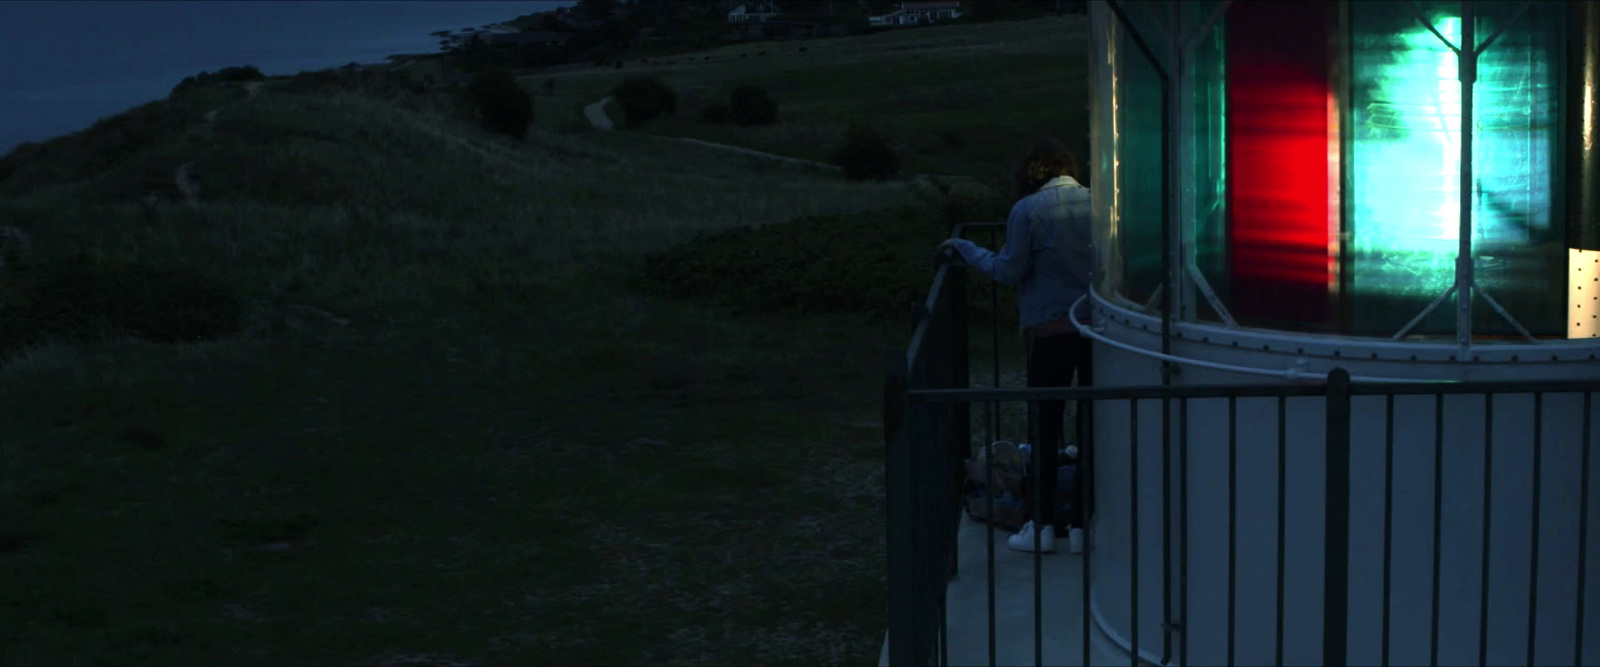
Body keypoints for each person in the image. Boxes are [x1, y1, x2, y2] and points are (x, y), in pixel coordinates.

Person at [938, 138, 1094, 554]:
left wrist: (965, 249)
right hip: (1096, 331)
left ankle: (1041, 526)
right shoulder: (1099, 203)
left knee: (1045, 426)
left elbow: (1009, 270)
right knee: (1093, 426)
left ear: (1031, 175)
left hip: (1049, 332)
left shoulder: (1027, 211)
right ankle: (1082, 526)